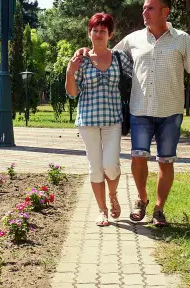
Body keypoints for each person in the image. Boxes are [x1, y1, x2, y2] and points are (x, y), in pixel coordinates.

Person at [77, 0, 190, 228]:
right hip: (140, 110)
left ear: (165, 12)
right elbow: (106, 51)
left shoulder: (182, 39)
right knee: (138, 158)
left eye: (150, 8)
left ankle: (159, 209)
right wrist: (85, 51)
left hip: (171, 110)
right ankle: (141, 198)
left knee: (166, 161)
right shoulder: (133, 39)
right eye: (144, 8)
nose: (144, 12)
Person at [66, 13, 133, 227]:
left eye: (103, 31)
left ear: (110, 34)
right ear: (89, 33)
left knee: (111, 166)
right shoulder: (81, 60)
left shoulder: (120, 57)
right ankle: (102, 210)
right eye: (95, 30)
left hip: (113, 120)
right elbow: (72, 93)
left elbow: (137, 77)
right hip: (88, 121)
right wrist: (70, 71)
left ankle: (113, 194)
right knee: (96, 168)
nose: (98, 34)